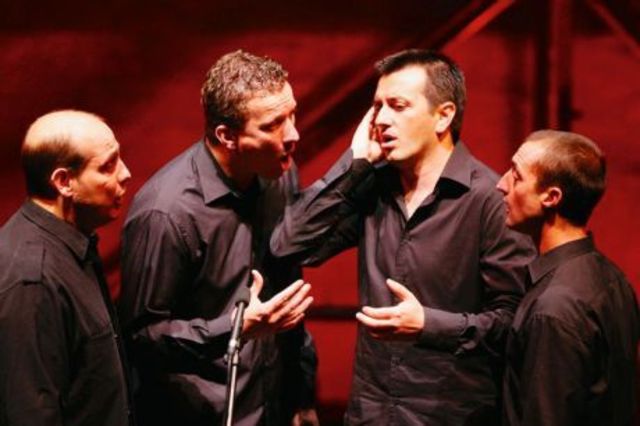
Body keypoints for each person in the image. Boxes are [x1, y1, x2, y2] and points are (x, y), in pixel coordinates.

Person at [271, 49, 535, 424]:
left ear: (444, 115)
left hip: (449, 416)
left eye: (397, 106)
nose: (381, 120)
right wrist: (354, 163)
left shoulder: (489, 201)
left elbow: (515, 324)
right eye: (377, 107)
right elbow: (289, 245)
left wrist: (429, 325)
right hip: (371, 414)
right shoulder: (373, 187)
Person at [118, 50, 318, 426]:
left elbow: (288, 289)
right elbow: (141, 338)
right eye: (273, 125)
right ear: (227, 136)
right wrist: (235, 329)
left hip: (271, 406)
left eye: (292, 115)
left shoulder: (279, 174)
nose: (293, 134)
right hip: (200, 415)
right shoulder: (167, 213)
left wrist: (301, 396)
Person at [0, 110, 134, 425]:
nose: (125, 174)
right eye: (108, 166)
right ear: (64, 182)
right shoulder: (32, 282)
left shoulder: (73, 241)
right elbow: (31, 413)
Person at [497, 130, 639, 426]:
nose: (501, 184)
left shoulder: (554, 307)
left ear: (551, 197)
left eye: (516, 176)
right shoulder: (614, 279)